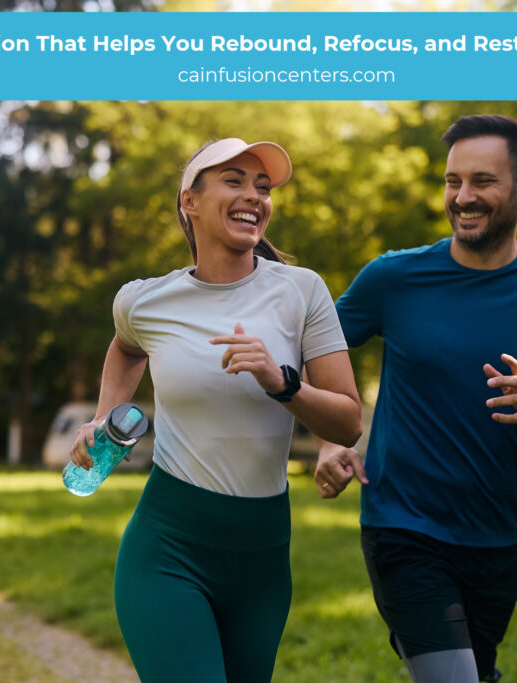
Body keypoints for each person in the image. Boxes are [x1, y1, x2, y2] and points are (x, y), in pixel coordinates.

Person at [315, 115, 517, 683]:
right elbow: (315, 347)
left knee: (476, 674)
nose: (464, 197)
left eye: (482, 181)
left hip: (499, 540)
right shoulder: (394, 278)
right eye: (453, 182)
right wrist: (332, 436)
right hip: (403, 528)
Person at [68, 137, 362, 683]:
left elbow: (347, 420)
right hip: (168, 548)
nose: (254, 195)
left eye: (263, 187)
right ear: (190, 201)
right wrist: (104, 415)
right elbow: (126, 347)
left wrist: (282, 382)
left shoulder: (302, 292)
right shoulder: (144, 300)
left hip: (262, 557)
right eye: (234, 180)